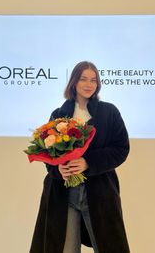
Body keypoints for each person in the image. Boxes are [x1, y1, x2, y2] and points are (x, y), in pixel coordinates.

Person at [30, 61, 130, 253]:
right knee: (63, 248)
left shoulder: (109, 112)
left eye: (93, 80)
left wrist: (88, 162)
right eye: (83, 79)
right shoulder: (59, 114)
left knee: (108, 246)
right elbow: (49, 153)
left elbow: (121, 149)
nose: (89, 84)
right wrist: (57, 168)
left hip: (100, 194)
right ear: (74, 82)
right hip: (63, 195)